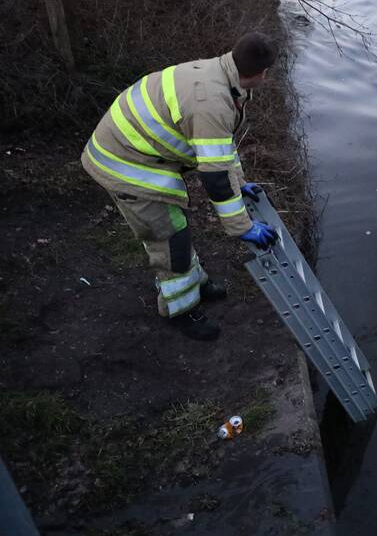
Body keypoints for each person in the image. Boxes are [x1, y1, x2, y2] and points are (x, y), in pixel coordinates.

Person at [80, 32, 281, 341]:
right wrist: (242, 226)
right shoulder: (212, 102)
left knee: (176, 227)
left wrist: (240, 184)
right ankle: (181, 311)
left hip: (131, 151)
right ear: (261, 73)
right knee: (170, 236)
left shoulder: (220, 74)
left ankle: (195, 283)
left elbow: (220, 148)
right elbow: (214, 177)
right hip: (124, 166)